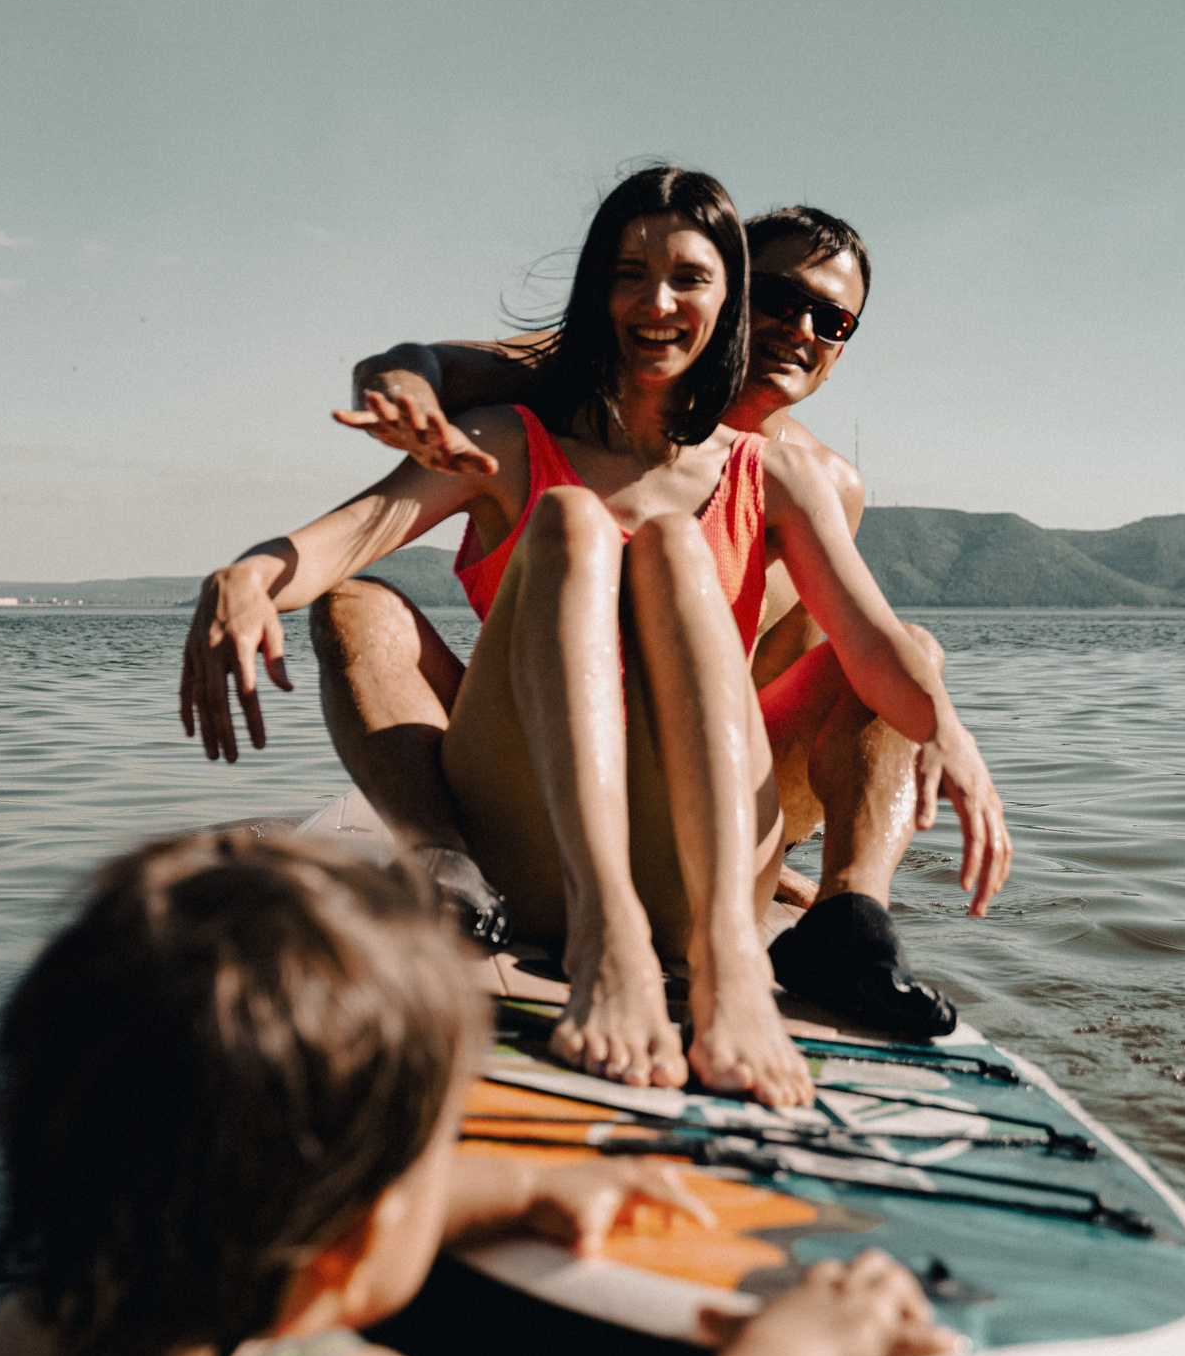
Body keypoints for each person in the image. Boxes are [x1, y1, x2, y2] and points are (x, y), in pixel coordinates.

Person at [182, 165, 1003, 1106]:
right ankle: (597, 933)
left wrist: (948, 728)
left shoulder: (781, 476)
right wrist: (246, 574)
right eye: (629, 276)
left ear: (721, 301)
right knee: (568, 522)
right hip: (543, 856)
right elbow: (336, 541)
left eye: (690, 279)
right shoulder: (506, 433)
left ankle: (740, 957)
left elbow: (868, 641)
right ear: (596, 293)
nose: (658, 302)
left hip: (716, 865)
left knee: (680, 556)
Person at [0, 829, 951, 1356]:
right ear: (347, 1243)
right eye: (443, 1152)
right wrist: (807, 1349)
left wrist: (525, 1181)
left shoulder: (38, 1331)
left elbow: (295, 1205)